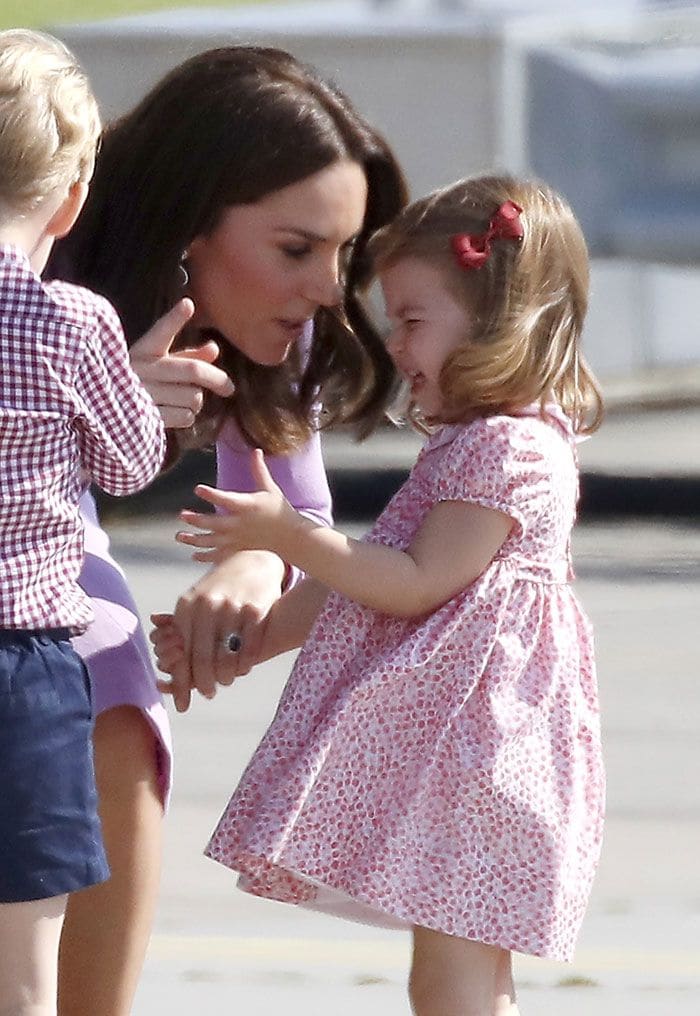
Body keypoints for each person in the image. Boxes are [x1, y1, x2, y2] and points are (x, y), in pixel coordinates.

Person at [159, 174, 606, 1016]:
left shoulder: (512, 450)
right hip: (463, 754)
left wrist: (287, 534)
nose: (395, 345)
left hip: (487, 756)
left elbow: (410, 584)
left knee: (454, 979)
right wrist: (244, 643)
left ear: (498, 322)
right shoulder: (475, 444)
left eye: (411, 320)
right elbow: (360, 581)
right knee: (459, 971)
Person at [47, 44, 408, 1016]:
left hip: (49, 564)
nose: (331, 289)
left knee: (113, 664)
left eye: (344, 253)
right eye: (296, 249)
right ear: (186, 223)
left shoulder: (276, 330)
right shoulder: (42, 252)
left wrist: (254, 559)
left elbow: (296, 504)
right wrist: (102, 391)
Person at [0, 29, 166, 1016]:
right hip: (26, 666)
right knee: (24, 960)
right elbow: (130, 461)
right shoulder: (71, 322)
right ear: (69, 199)